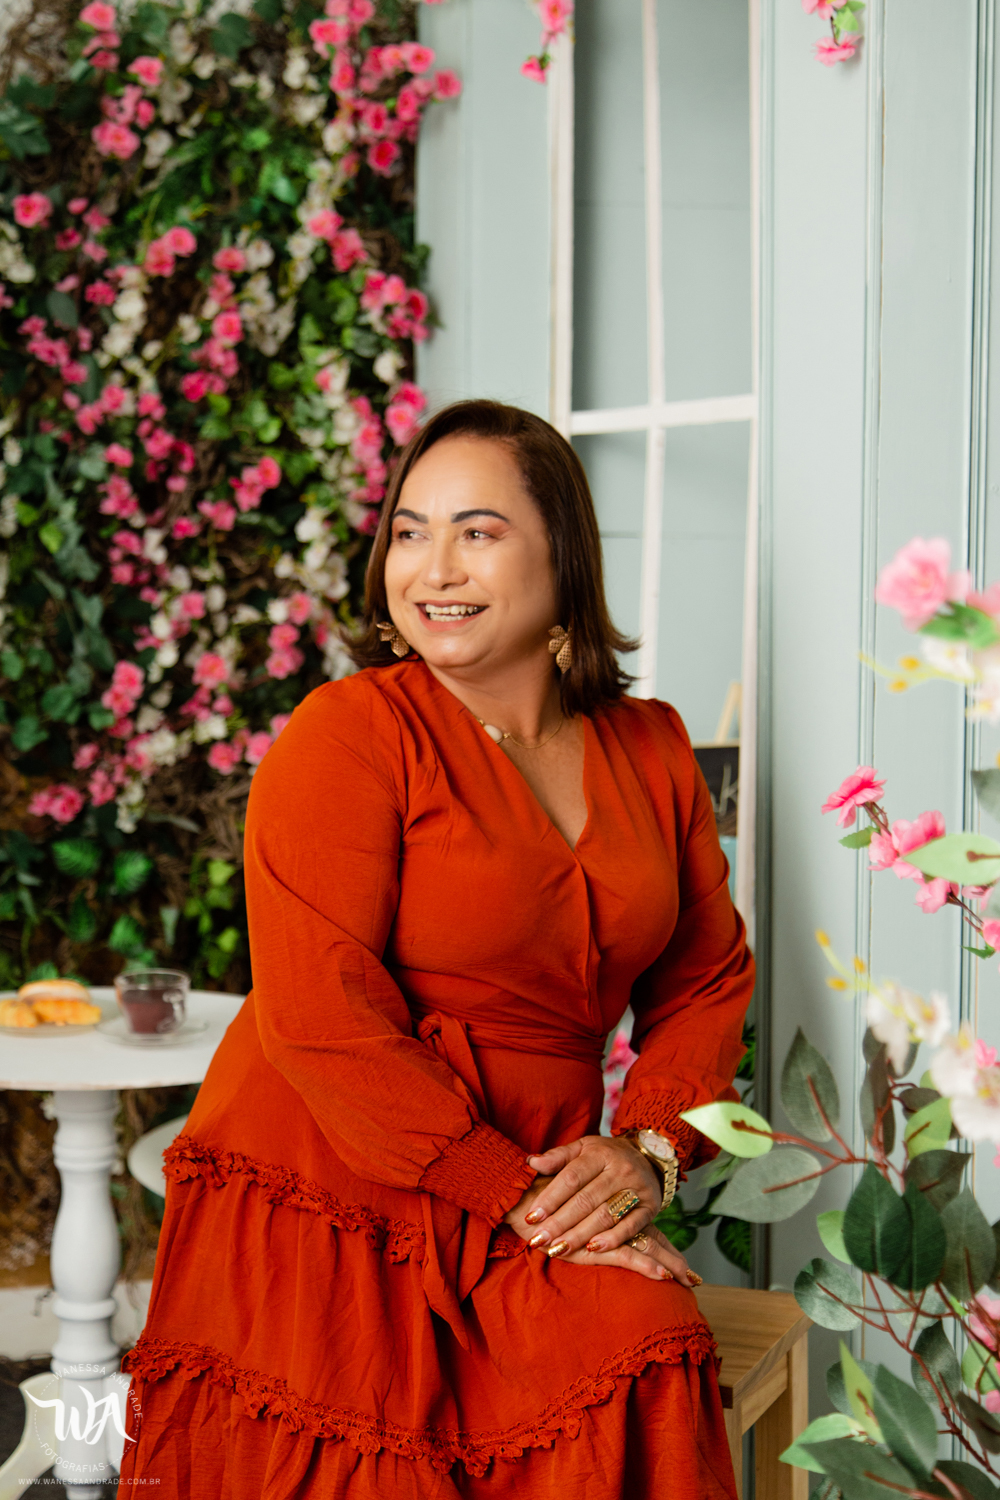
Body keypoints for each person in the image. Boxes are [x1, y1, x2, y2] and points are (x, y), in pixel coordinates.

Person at [117, 399, 754, 1498]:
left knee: (648, 1336)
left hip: (539, 1170)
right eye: (409, 531)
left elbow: (707, 978)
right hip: (339, 1169)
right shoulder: (350, 733)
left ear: (562, 552)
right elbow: (320, 1017)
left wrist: (646, 1154)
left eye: (478, 530)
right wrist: (519, 1198)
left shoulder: (651, 748)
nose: (433, 569)